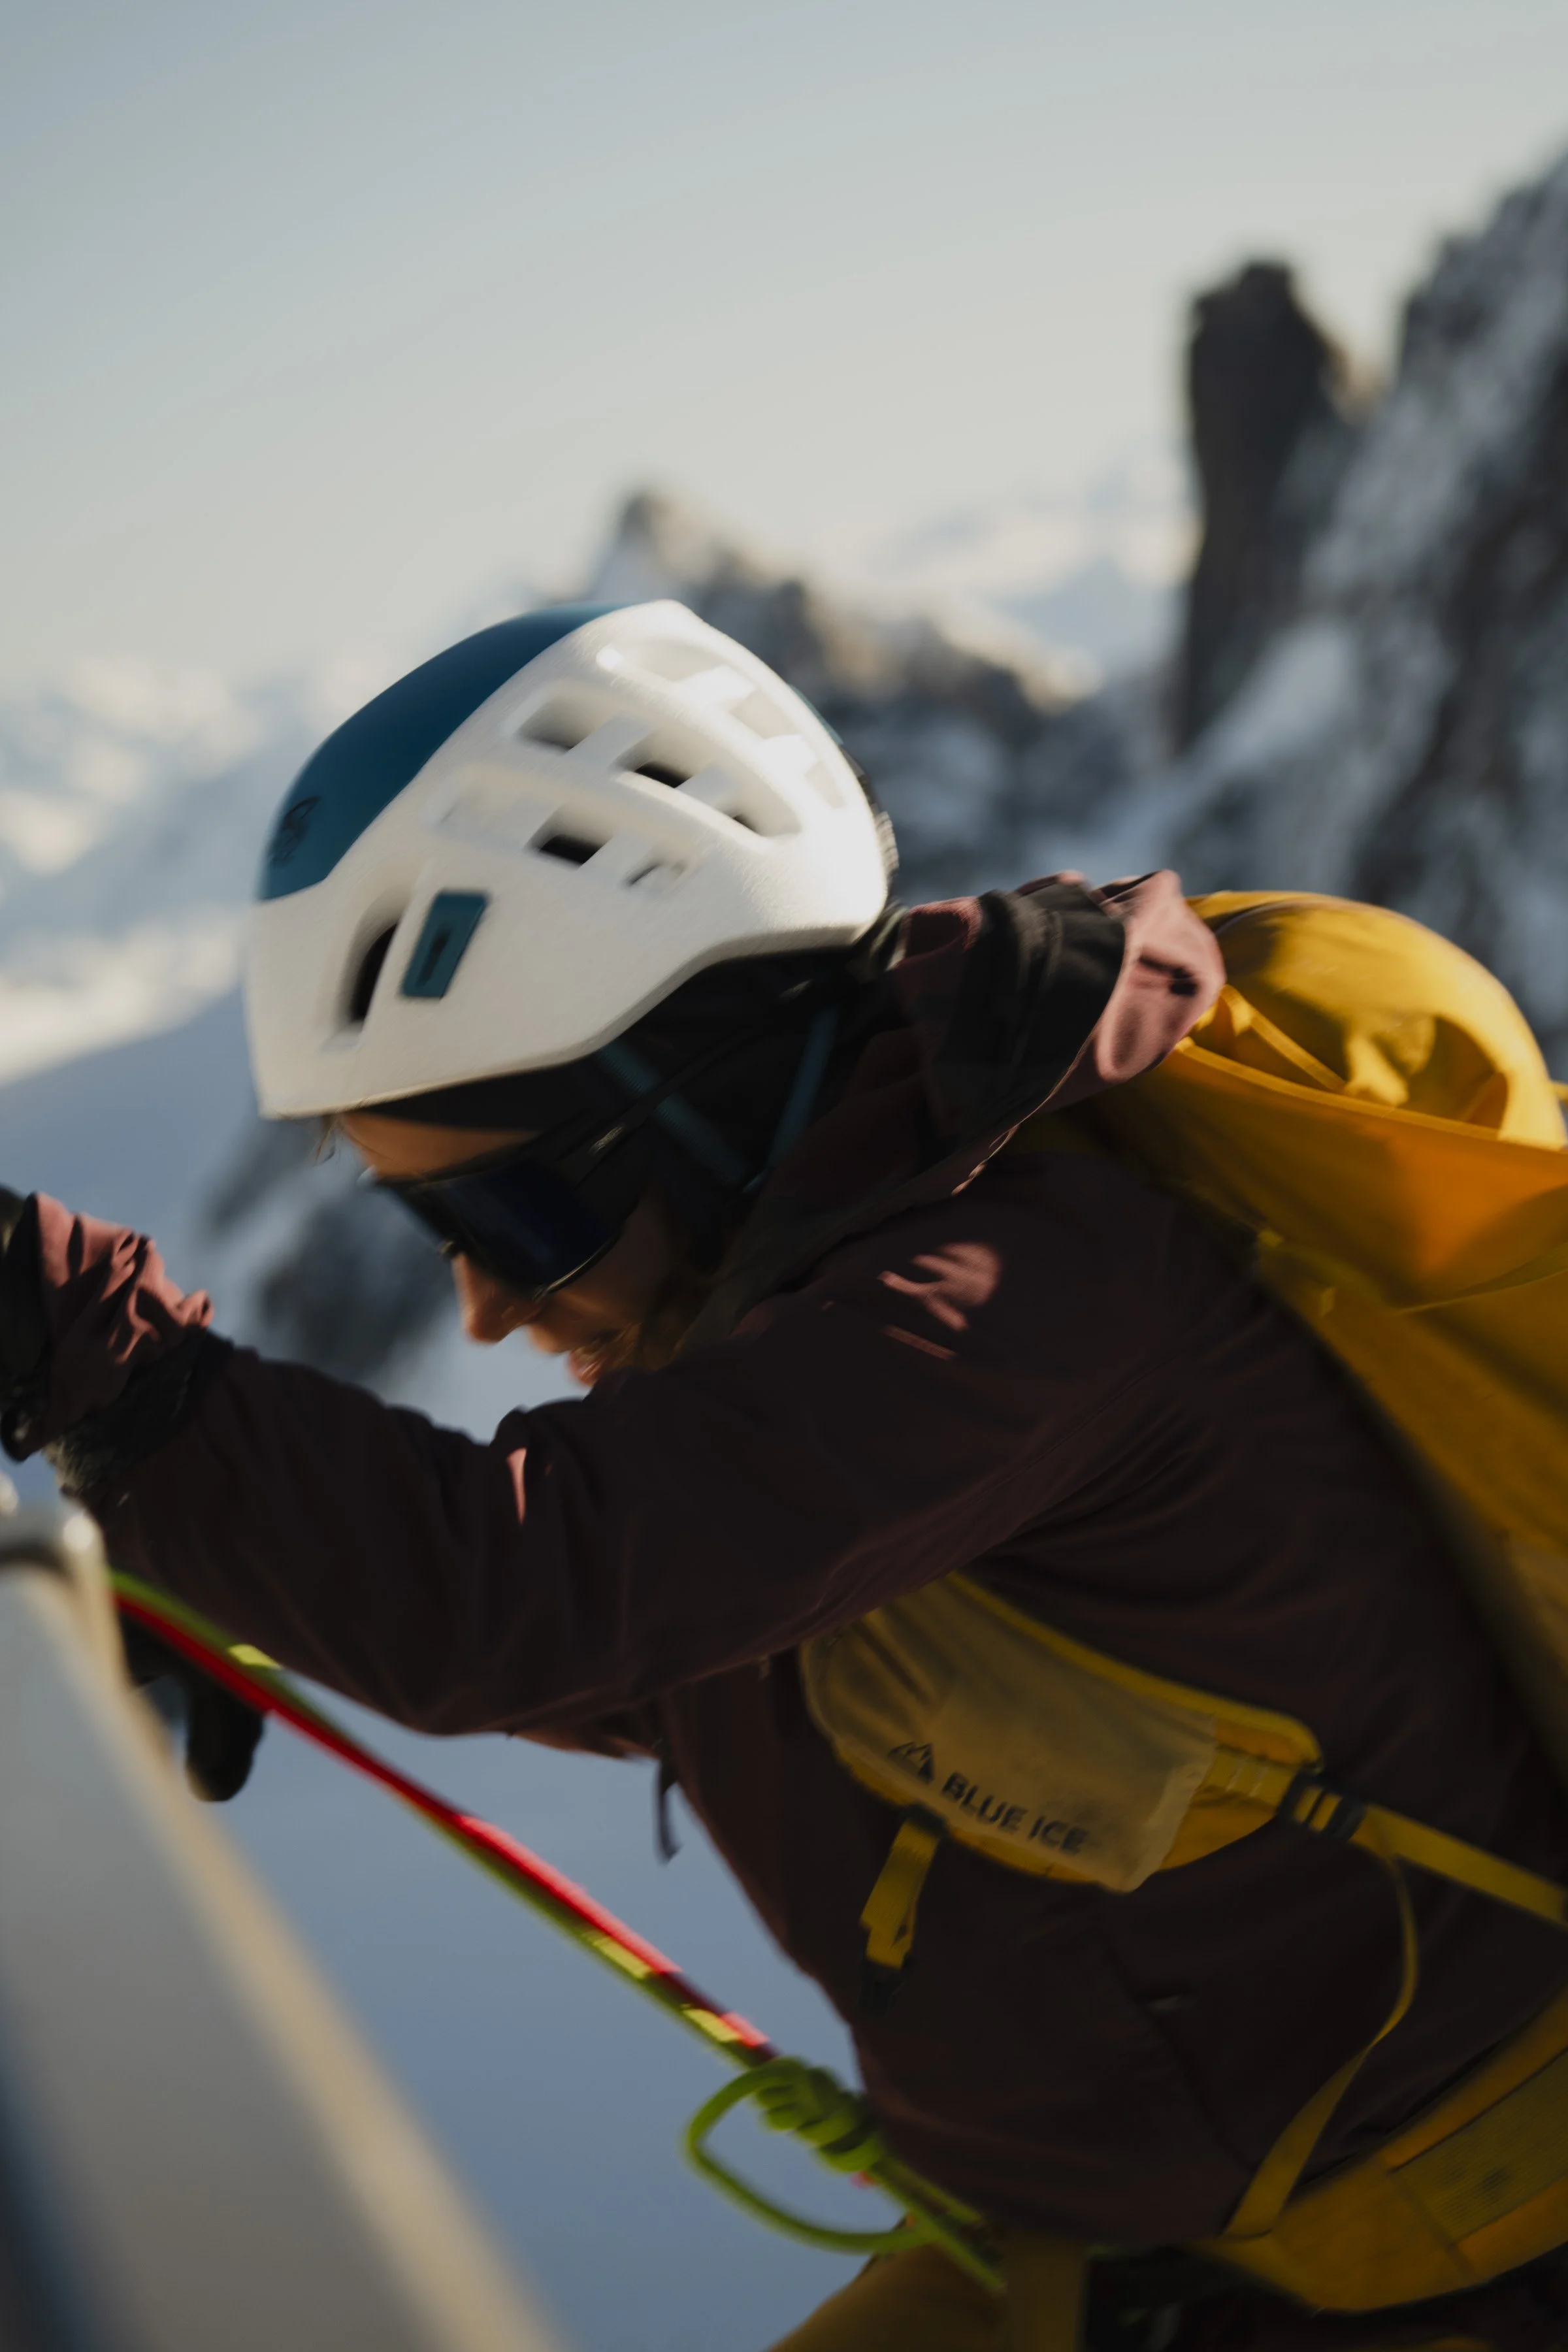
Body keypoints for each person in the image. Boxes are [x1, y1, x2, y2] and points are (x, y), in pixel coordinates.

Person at [5, 599, 1568, 2352]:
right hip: (1131, 2248)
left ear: (712, 1089)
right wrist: (244, 1566)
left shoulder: (1018, 1301)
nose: (487, 1304)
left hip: (1436, 2261)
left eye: (514, 1212)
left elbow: (528, 1597)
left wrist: (81, 1349)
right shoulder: (820, 1302)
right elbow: (701, 1636)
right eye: (429, 1225)